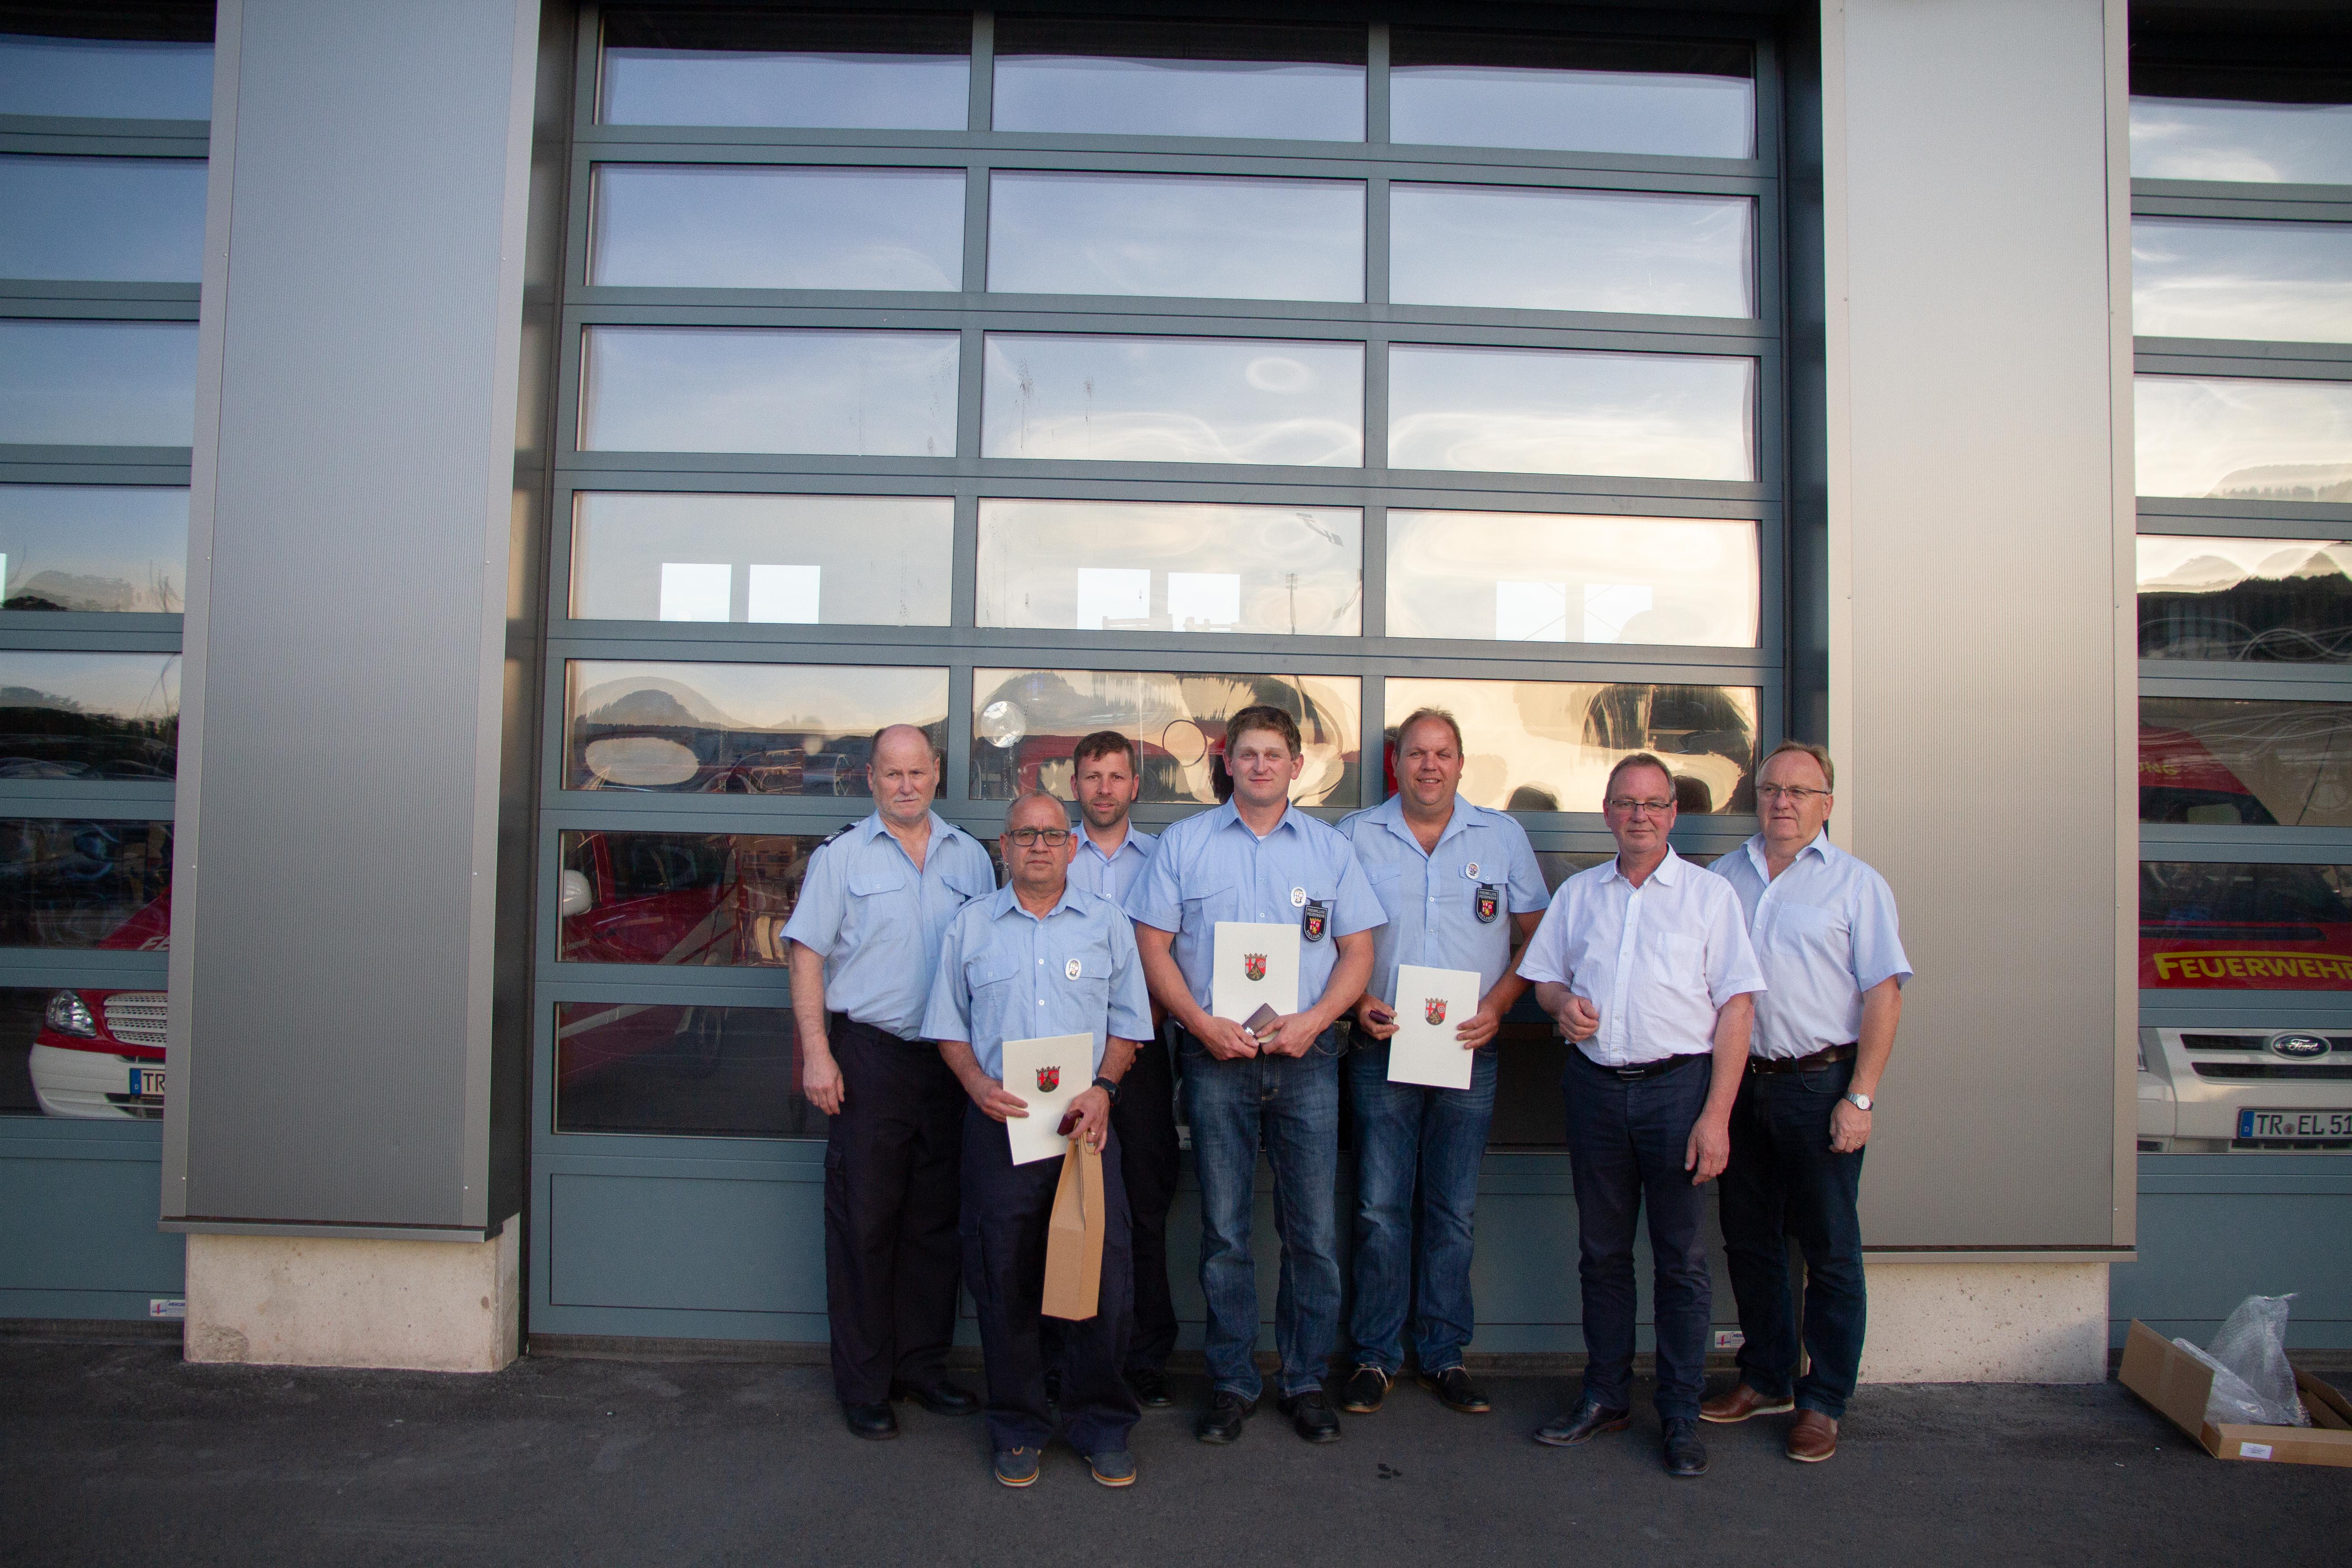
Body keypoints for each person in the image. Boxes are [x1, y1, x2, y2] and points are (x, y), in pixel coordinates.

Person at [1125, 705, 1383, 1446]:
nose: (1261, 765)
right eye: (1248, 754)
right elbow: (1152, 946)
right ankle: (1233, 1383)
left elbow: (1359, 952)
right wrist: (1198, 1023)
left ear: (1297, 766)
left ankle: (1305, 1382)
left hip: (1307, 1062)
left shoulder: (1330, 851)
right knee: (1225, 1234)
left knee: (1312, 1236)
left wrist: (1317, 1020)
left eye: (1274, 754)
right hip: (1216, 1061)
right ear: (1227, 762)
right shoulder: (1185, 844)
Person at [1518, 752, 1765, 1478]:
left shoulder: (1710, 897)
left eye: (1655, 804)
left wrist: (1716, 1117)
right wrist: (1563, 1005)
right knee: (1602, 1254)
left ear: (1674, 814)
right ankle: (1606, 1396)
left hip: (1678, 1094)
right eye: (1627, 803)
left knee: (1682, 1261)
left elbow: (1738, 1008)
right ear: (1606, 812)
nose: (1640, 816)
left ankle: (1681, 1413)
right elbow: (1544, 980)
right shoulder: (1580, 895)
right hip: (1595, 1090)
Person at [925, 791, 1154, 1489]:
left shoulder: (1107, 924)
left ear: (1072, 847)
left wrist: (1104, 1088)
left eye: (1052, 835)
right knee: (1005, 1279)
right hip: (1000, 1130)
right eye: (1025, 835)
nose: (1039, 847)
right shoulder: (971, 927)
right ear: (1004, 847)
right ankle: (1018, 1427)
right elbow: (948, 1027)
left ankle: (1100, 1424)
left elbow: (1130, 1024)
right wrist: (974, 1084)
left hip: (1086, 1132)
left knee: (1100, 1281)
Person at [783, 725, 997, 1441]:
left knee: (935, 1223)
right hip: (870, 1059)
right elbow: (806, 955)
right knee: (865, 1223)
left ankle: (921, 1367)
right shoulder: (841, 857)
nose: (906, 785)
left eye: (917, 772)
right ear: (870, 778)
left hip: (949, 1063)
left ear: (936, 773)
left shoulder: (971, 858)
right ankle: (865, 1382)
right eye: (892, 773)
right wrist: (817, 1053)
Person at [1334, 709, 1549, 1419]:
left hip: (1467, 1047)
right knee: (1379, 1208)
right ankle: (1374, 1356)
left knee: (1452, 1209)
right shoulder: (1356, 835)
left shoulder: (1502, 837)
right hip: (1382, 1044)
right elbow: (1324, 938)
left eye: (1443, 753)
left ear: (1461, 762)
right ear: (1396, 763)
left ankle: (1444, 1354)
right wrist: (1357, 1000)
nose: (1430, 765)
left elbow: (1539, 937)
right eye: (1417, 753)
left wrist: (1500, 1005)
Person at [1701, 739, 1910, 1464]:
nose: (1783, 802)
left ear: (1827, 804)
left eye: (1799, 791)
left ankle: (1823, 1402)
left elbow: (1885, 997)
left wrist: (1862, 1098)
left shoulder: (1857, 886)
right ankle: (1765, 1377)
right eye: (1771, 790)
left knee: (1829, 1249)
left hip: (1820, 1086)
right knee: (1749, 1240)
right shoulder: (1722, 878)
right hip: (1741, 1085)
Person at [1054, 730, 1178, 1410]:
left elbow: (1180, 953)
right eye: (1092, 776)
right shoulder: (1050, 852)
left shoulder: (1164, 860)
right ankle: (1065, 1355)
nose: (1104, 789)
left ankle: (1145, 1355)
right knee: (1063, 1205)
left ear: (1135, 785)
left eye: (1116, 776)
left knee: (1145, 1205)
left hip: (1145, 1055)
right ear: (1074, 785)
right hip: (1067, 1060)